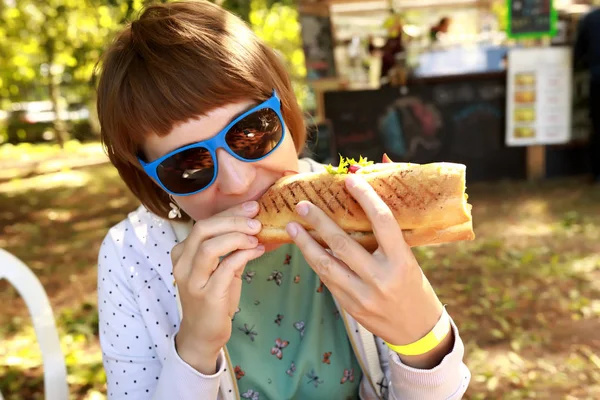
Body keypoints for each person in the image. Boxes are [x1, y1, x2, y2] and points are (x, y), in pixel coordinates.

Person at [95, 1, 471, 398]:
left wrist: (420, 337)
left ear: (286, 111)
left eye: (251, 132)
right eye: (188, 164)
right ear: (154, 180)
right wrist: (195, 349)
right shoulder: (130, 256)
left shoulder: (354, 208)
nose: (238, 182)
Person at [573, 8, 600, 183]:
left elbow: (578, 53)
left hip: (597, 79)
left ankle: (597, 173)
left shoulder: (590, 19)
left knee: (597, 126)